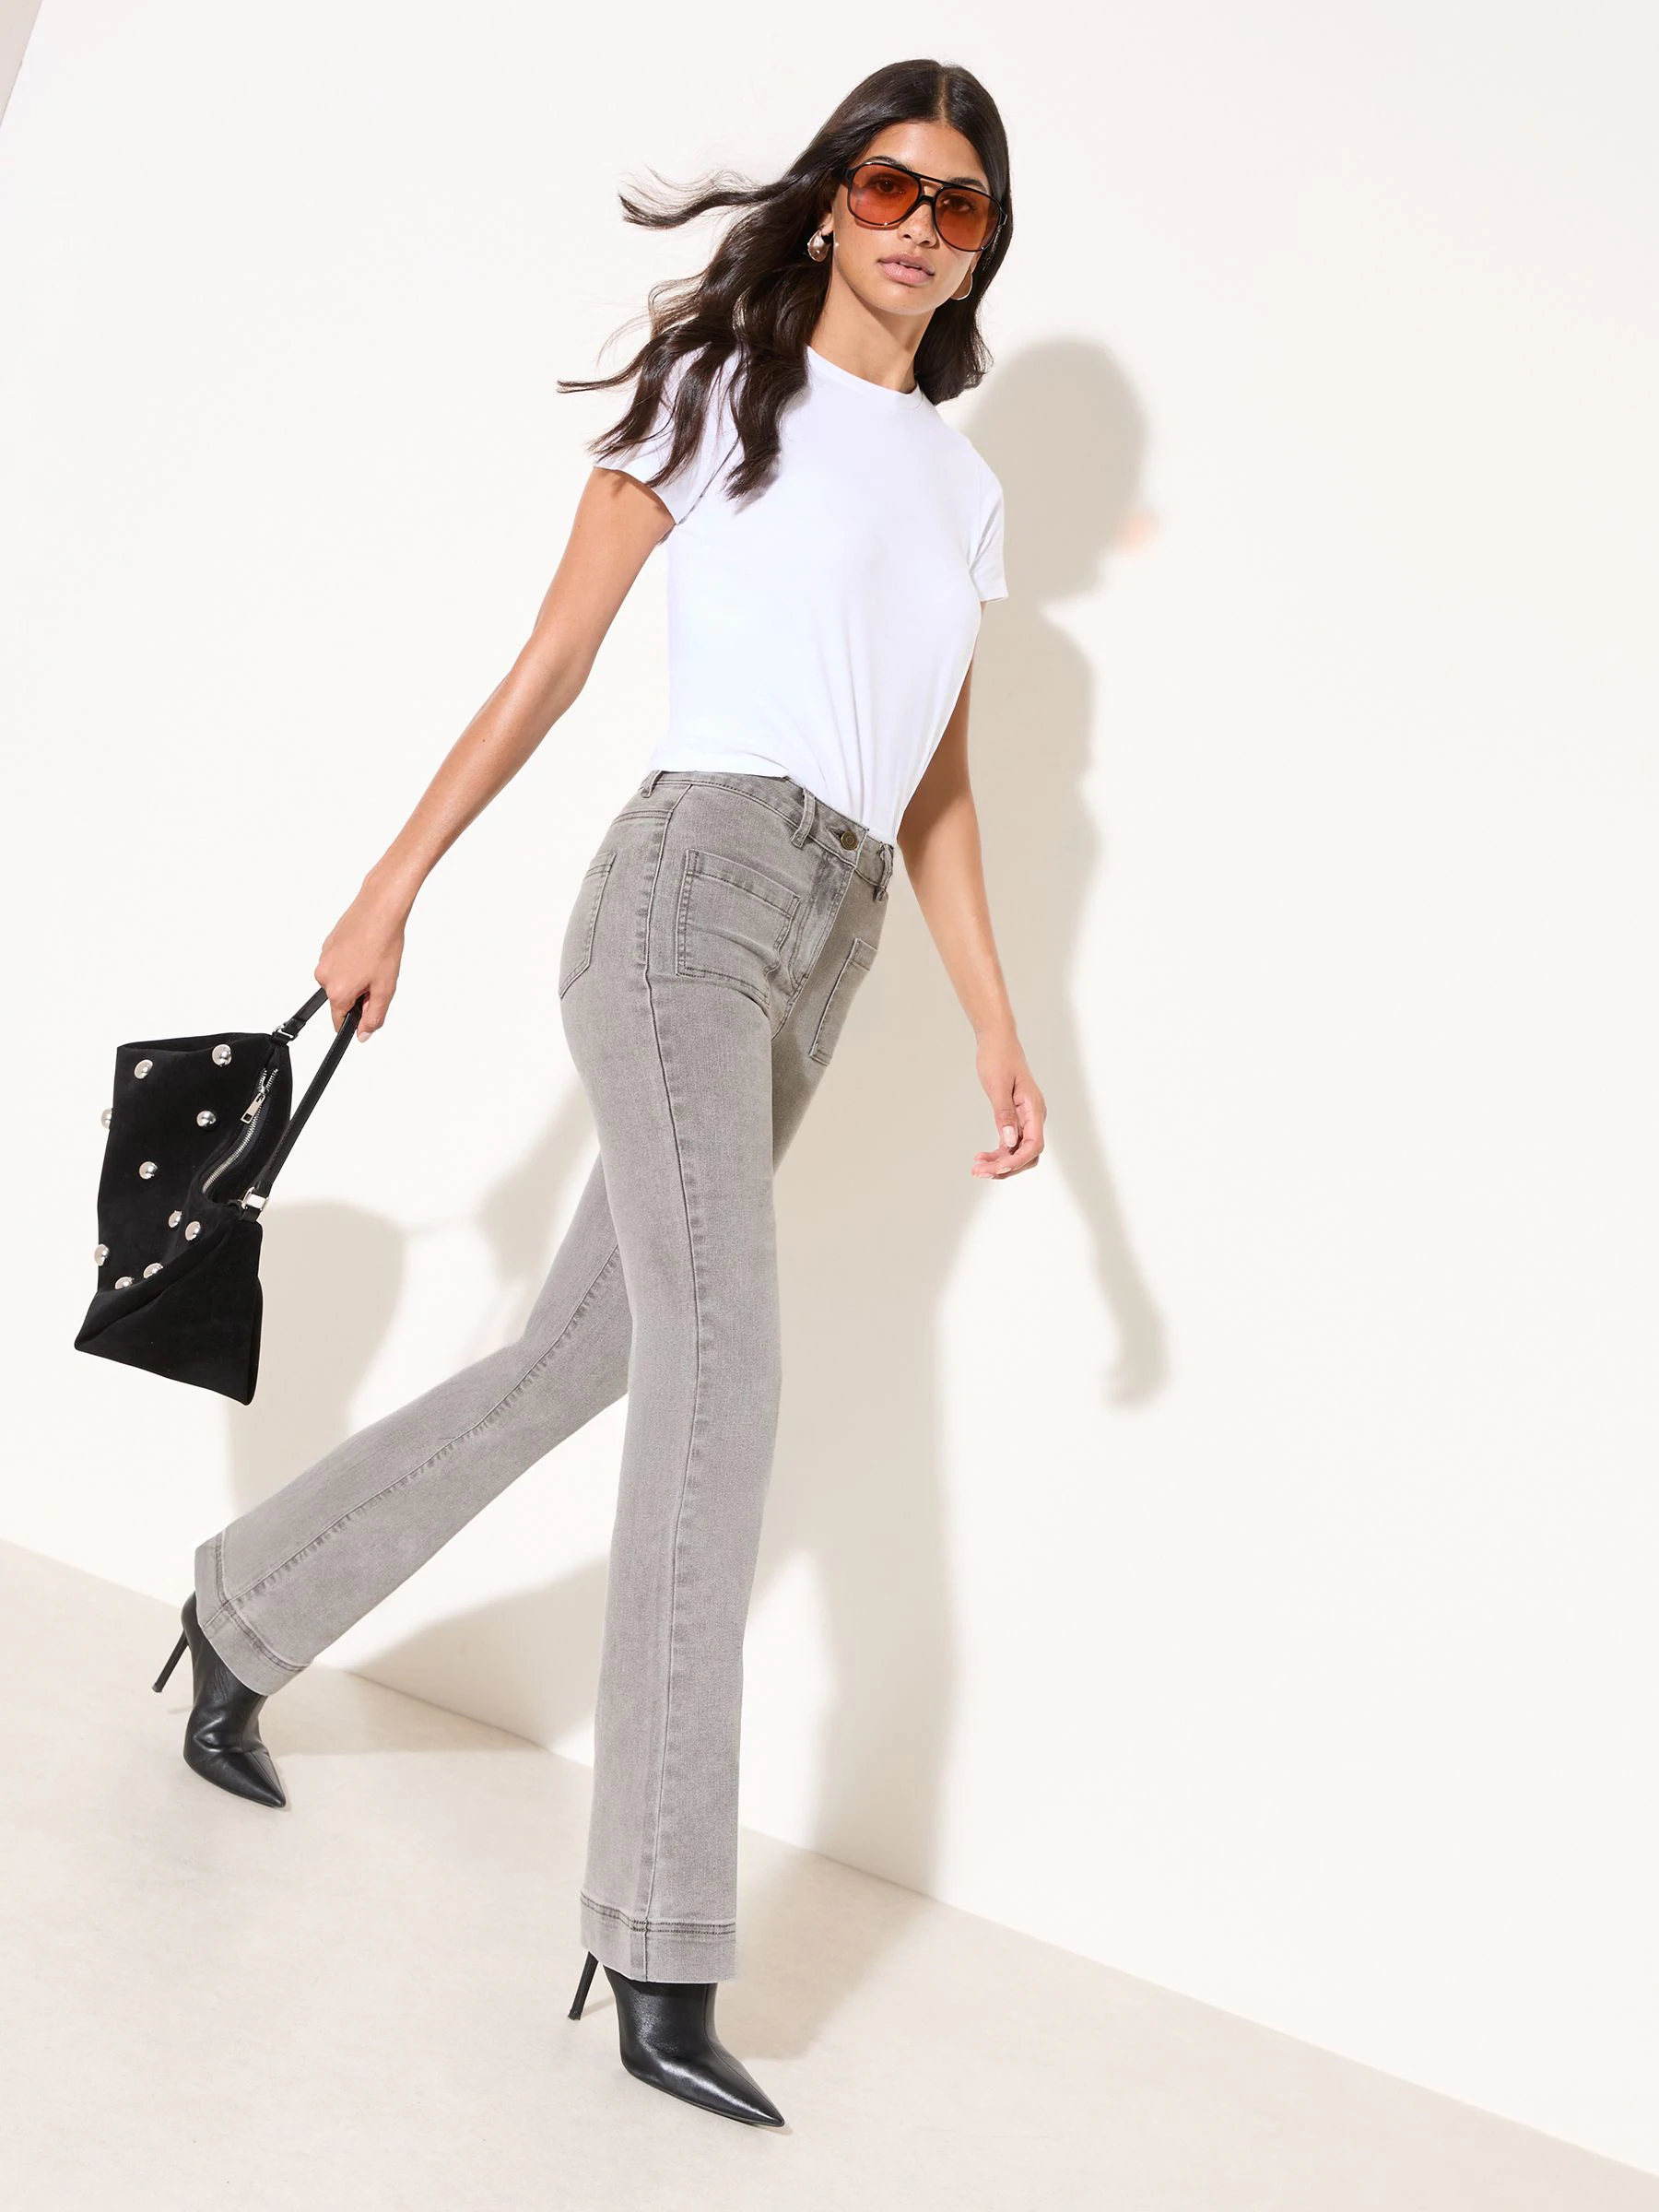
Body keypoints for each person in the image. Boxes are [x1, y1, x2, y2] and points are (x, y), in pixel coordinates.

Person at [150, 55, 1046, 2129]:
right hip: (684, 898)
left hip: (825, 947)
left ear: (982, 245)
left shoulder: (961, 489)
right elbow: (551, 663)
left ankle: (243, 1610)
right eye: (892, 186)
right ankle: (658, 1939)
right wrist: (389, 885)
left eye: (963, 206)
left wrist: (996, 1019)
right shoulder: (723, 389)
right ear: (831, 197)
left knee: (586, 1356)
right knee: (728, 1376)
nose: (922, 228)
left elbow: (936, 784)